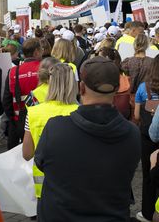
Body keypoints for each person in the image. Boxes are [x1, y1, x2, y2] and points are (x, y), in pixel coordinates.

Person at [35, 56, 141, 222]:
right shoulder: (132, 134)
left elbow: (40, 163)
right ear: (117, 89)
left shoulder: (55, 128)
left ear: (81, 88)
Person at [22, 63, 78, 200]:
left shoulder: (34, 113)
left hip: (44, 187)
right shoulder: (81, 112)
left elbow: (27, 154)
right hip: (75, 185)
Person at [3, 38, 42, 150]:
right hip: (40, 121)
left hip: (18, 120)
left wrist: (13, 119)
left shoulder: (13, 71)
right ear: (36, 52)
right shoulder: (45, 69)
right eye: (41, 49)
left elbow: (7, 100)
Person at [134, 55, 159, 222]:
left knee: (149, 176)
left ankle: (147, 212)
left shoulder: (144, 88)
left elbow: (136, 115)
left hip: (149, 138)